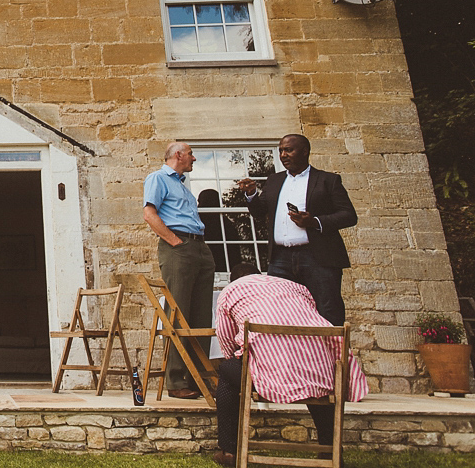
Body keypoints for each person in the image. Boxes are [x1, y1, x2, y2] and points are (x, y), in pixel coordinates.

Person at [213, 262, 368, 468]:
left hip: (267, 374)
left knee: (226, 371)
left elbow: (225, 337)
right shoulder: (295, 287)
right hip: (318, 371)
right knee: (316, 382)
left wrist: (235, 356)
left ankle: (229, 451)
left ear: (234, 279)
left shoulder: (230, 291)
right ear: (262, 275)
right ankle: (329, 451)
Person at [236, 134, 357, 325]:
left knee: (327, 309)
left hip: (317, 257)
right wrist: (251, 195)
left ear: (305, 151)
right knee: (281, 312)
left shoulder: (327, 180)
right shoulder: (274, 181)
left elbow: (349, 215)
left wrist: (314, 221)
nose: (283, 155)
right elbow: (259, 212)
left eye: (289, 150)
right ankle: (291, 355)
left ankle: (333, 353)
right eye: (281, 150)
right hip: (280, 259)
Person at [142, 141, 215, 399]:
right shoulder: (158, 178)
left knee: (201, 314)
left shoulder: (182, 186)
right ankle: (175, 381)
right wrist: (175, 241)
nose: (194, 159)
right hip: (179, 248)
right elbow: (149, 213)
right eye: (191, 154)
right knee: (178, 312)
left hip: (199, 248)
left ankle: (198, 379)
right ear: (179, 155)